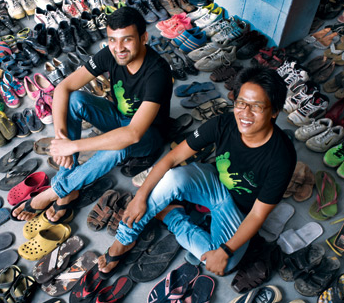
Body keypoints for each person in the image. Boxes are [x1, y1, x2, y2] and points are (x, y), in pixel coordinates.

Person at [98, 67, 297, 276]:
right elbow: (172, 158)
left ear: (274, 111)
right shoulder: (223, 123)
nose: (245, 113)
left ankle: (171, 215)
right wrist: (140, 196)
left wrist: (225, 250)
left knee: (224, 263)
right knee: (173, 177)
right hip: (213, 184)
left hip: (238, 211)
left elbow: (257, 214)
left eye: (256, 106)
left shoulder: (282, 158)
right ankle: (123, 241)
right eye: (241, 103)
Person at [10, 6, 173, 223]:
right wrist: (61, 137)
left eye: (127, 40)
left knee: (119, 146)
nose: (119, 48)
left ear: (144, 38)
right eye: (112, 40)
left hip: (147, 135)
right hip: (118, 119)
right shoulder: (111, 54)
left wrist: (73, 146)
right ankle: (68, 188)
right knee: (75, 99)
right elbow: (64, 88)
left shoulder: (157, 72)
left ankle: (55, 191)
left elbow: (132, 134)